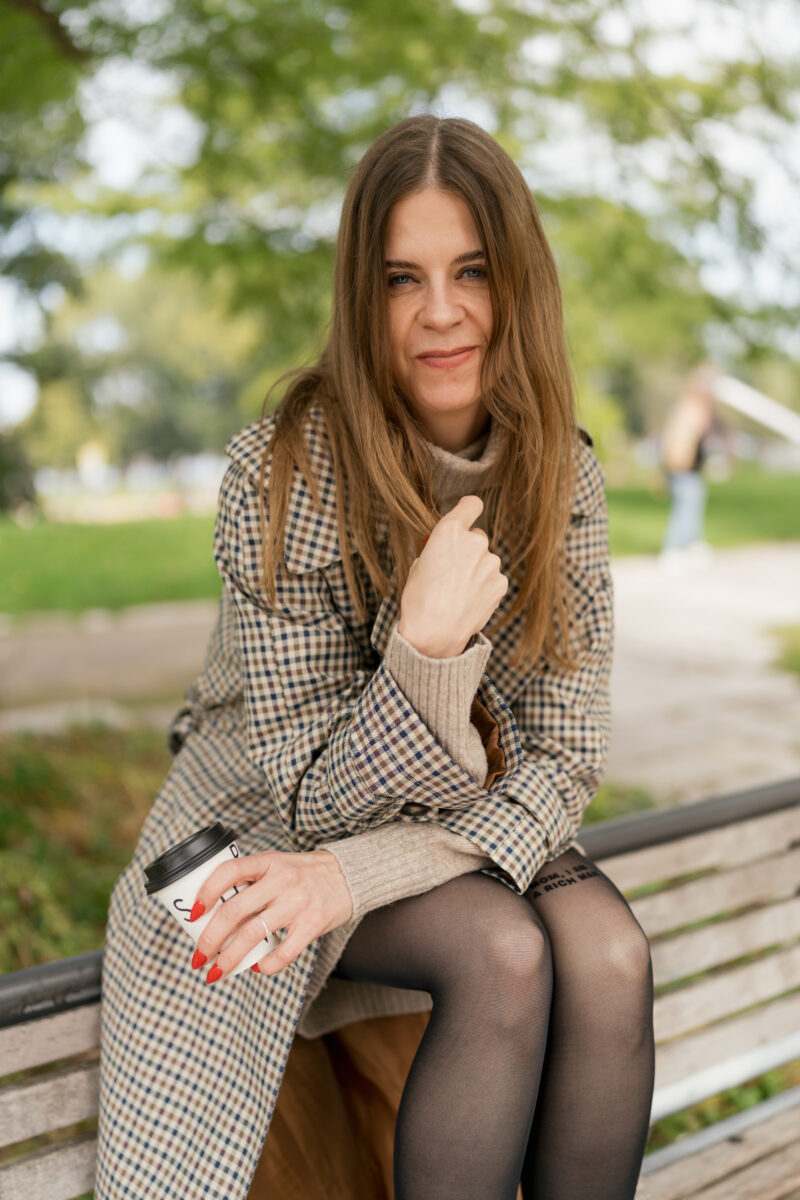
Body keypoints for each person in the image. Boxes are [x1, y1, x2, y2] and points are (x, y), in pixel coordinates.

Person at [95, 114, 655, 1200]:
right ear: (364, 296)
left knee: (607, 953)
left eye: (470, 271)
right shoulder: (282, 473)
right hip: (260, 814)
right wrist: (425, 648)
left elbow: (563, 758)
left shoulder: (562, 474)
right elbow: (311, 801)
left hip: (454, 810)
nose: (439, 312)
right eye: (402, 279)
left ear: (518, 284)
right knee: (503, 951)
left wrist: (356, 876)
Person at [659, 363, 718, 574]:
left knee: (692, 509)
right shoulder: (690, 409)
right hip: (683, 470)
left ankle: (692, 547)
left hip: (691, 470)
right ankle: (672, 550)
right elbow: (680, 443)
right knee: (683, 512)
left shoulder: (692, 408)